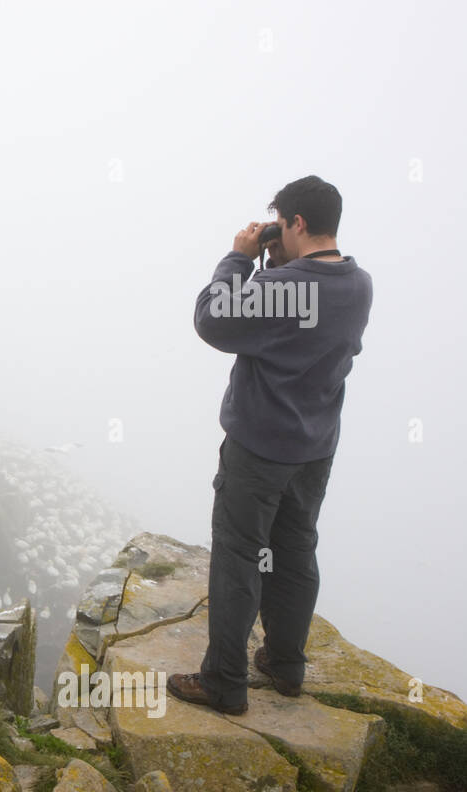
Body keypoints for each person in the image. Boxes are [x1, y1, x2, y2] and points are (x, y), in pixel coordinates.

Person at [167, 175, 373, 715]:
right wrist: (279, 261)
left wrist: (239, 258)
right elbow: (303, 324)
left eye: (280, 224)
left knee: (238, 557)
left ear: (297, 223)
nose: (274, 233)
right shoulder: (359, 284)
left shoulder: (282, 289)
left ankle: (224, 683)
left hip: (259, 449)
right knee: (296, 551)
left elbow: (212, 320)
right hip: (314, 448)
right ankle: (285, 666)